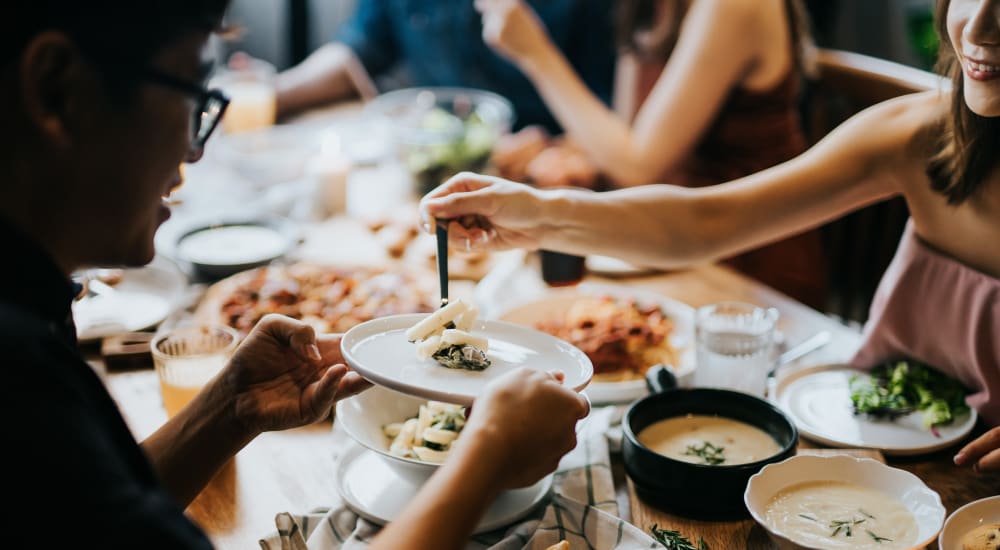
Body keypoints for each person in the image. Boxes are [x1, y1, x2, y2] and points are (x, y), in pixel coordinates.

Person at [1, 2, 588, 547]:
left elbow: (103, 514)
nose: (195, 148)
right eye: (193, 96)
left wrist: (230, 408)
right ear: (58, 91)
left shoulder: (31, 316)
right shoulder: (19, 372)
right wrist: (488, 452)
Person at [421, 0, 1000, 472]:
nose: (979, 26)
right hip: (869, 445)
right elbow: (706, 222)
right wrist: (541, 213)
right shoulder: (920, 135)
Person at [476, 0, 829, 308]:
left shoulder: (735, 5)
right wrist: (560, 148)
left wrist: (535, 53)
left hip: (744, 259)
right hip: (672, 237)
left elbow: (638, 167)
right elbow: (631, 134)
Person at [274, 0, 617, 133]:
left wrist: (561, 147)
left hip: (546, 178)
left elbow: (615, 118)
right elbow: (357, 49)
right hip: (431, 161)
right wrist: (271, 94)